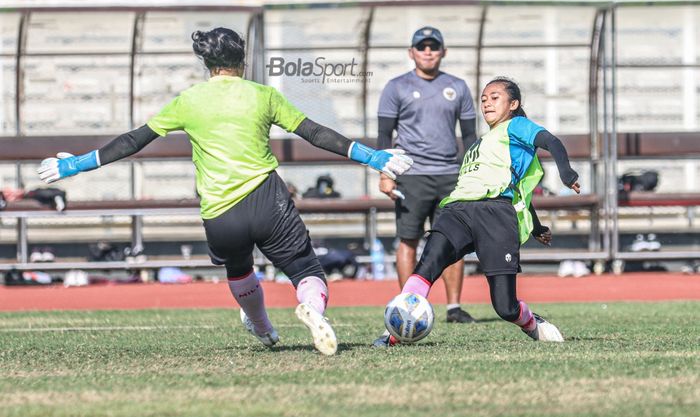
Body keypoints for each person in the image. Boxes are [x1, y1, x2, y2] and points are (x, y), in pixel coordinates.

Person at [37, 27, 413, 356]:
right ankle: (313, 307)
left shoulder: (189, 100)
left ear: (208, 64)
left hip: (221, 211)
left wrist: (76, 164)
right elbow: (315, 133)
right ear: (242, 61)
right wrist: (372, 157)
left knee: (239, 269)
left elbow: (134, 140)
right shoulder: (262, 95)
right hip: (268, 199)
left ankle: (263, 327)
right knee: (305, 268)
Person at [387, 77, 581, 344]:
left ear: (513, 104)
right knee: (428, 263)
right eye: (484, 99)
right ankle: (393, 334)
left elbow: (552, 142)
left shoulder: (517, 126)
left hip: (496, 215)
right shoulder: (480, 142)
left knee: (505, 307)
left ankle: (530, 322)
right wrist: (537, 227)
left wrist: (567, 173)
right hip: (457, 210)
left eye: (495, 97)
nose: (487, 102)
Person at [373, 26, 478, 347]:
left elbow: (470, 138)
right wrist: (385, 173)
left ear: (443, 52)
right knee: (409, 239)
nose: (428, 51)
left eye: (434, 47)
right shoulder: (396, 87)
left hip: (450, 175)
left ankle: (454, 306)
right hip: (411, 174)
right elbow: (383, 138)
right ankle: (409, 303)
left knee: (453, 242)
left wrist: (473, 172)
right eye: (422, 47)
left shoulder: (457, 87)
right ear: (411, 52)